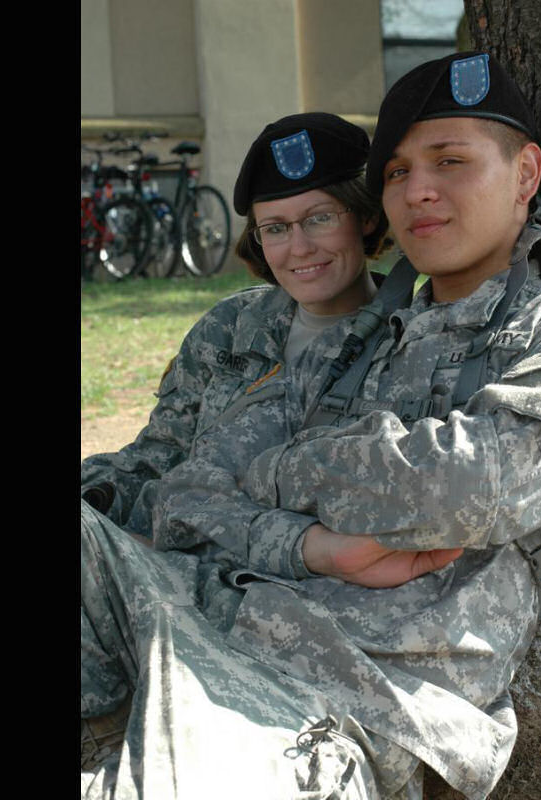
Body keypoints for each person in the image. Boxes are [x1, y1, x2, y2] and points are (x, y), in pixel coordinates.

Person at [82, 51, 541, 800]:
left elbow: (467, 486)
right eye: (396, 172)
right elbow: (190, 492)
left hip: (338, 702)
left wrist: (285, 471)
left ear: (525, 174)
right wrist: (313, 545)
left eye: (450, 161)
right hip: (211, 618)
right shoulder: (359, 338)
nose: (418, 189)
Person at [80, 112, 390, 538]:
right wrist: (95, 494)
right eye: (275, 228)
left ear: (365, 216)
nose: (299, 248)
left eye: (319, 218)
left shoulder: (409, 340)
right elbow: (158, 456)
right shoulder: (229, 328)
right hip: (166, 554)